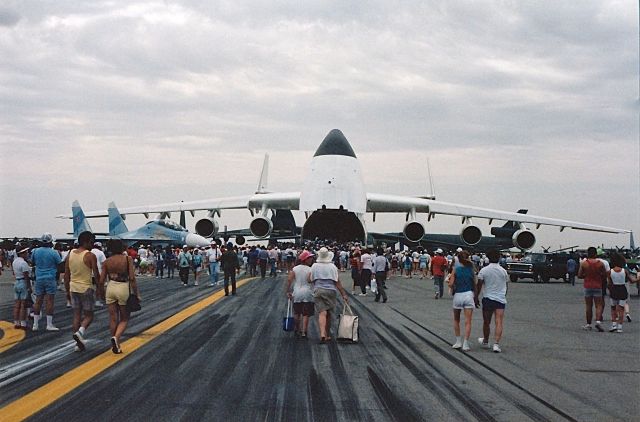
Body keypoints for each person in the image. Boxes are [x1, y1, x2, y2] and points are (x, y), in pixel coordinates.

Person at [100, 239, 140, 354]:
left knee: (113, 318)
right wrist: (136, 293)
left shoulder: (107, 261)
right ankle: (116, 339)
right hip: (123, 287)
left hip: (111, 287)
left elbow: (102, 280)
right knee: (124, 318)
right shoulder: (127, 259)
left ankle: (115, 342)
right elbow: (132, 278)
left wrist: (101, 292)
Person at [65, 231, 100, 351]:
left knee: (76, 315)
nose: (92, 244)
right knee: (89, 315)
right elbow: (96, 274)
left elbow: (66, 275)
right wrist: (100, 289)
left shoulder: (70, 254)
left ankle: (77, 344)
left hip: (73, 287)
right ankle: (80, 332)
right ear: (86, 241)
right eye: (91, 242)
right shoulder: (90, 255)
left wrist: (66, 291)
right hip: (86, 288)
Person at [310, 247, 349, 343]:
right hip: (331, 290)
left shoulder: (314, 266)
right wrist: (343, 294)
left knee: (322, 313)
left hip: (318, 290)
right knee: (329, 314)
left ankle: (322, 334)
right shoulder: (332, 267)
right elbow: (337, 282)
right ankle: (327, 334)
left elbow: (311, 279)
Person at [476, 249, 509, 353]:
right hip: (500, 298)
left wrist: (475, 297)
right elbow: (506, 286)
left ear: (488, 258)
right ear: (499, 258)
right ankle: (496, 344)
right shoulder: (503, 271)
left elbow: (479, 285)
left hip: (488, 298)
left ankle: (486, 341)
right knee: (499, 321)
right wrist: (503, 295)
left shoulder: (484, 270)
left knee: (487, 322)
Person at [448, 250, 478, 351]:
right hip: (468, 294)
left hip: (458, 295)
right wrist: (476, 297)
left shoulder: (456, 269)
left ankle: (458, 341)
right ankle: (466, 343)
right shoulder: (471, 270)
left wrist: (451, 281)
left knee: (456, 319)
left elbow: (451, 284)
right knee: (468, 321)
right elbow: (474, 284)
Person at [31, 233, 63, 331]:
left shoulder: (35, 251)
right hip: (50, 278)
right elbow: (60, 265)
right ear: (50, 242)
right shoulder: (54, 253)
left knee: (38, 300)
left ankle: (35, 324)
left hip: (39, 278)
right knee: (49, 301)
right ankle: (49, 324)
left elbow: (32, 262)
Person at [285, 250, 315, 338]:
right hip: (307, 292)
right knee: (306, 313)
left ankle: (297, 328)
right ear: (305, 259)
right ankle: (304, 331)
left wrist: (288, 291)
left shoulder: (295, 269)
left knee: (297, 312)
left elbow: (289, 280)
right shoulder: (310, 269)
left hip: (297, 292)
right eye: (309, 258)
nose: (311, 259)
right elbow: (310, 280)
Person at [578, 247, 607, 331]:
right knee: (599, 305)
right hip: (598, 286)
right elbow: (604, 275)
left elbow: (579, 275)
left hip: (587, 286)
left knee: (588, 305)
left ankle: (588, 324)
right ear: (595, 254)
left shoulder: (584, 263)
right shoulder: (600, 263)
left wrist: (586, 275)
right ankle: (598, 321)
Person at [607, 253, 636, 333]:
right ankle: (620, 327)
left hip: (614, 289)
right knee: (621, 309)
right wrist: (638, 278)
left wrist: (609, 288)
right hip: (623, 289)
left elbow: (609, 283)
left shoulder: (610, 271)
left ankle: (613, 325)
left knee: (613, 308)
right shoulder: (625, 271)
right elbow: (632, 281)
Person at [12, 246, 31, 329]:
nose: (27, 254)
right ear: (22, 253)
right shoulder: (23, 263)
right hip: (23, 282)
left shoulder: (14, 262)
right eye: (26, 252)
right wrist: (29, 287)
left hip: (16, 281)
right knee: (23, 304)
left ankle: (16, 322)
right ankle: (23, 323)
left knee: (17, 304)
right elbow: (26, 276)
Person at [91, 242, 107, 307]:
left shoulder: (89, 251)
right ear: (100, 247)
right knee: (98, 287)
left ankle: (90, 300)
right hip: (98, 272)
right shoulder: (101, 253)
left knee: (90, 287)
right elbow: (104, 263)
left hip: (89, 272)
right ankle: (97, 301)